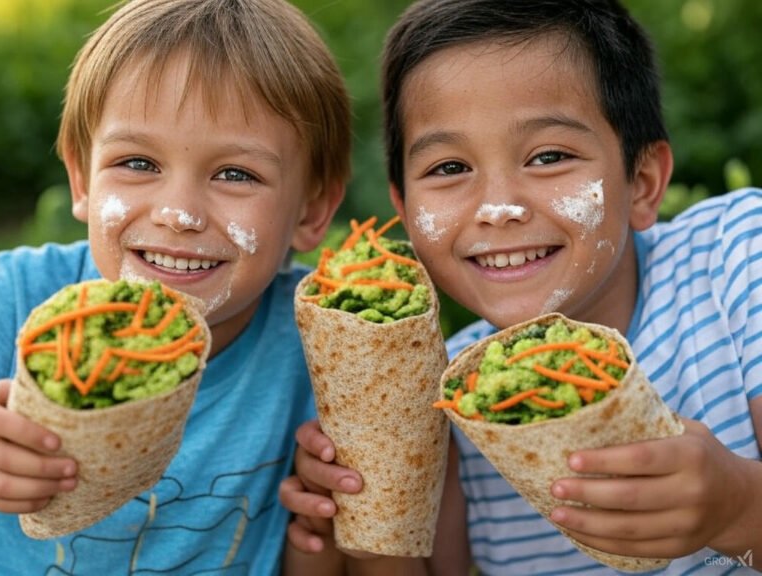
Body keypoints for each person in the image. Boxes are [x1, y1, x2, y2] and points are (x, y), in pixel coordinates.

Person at [279, 0, 762, 574]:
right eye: (450, 168)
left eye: (549, 156)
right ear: (404, 210)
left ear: (642, 182)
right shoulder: (443, 408)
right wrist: (347, 525)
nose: (498, 207)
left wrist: (740, 509)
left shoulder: (736, 259)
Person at [0, 0, 351, 574]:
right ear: (81, 178)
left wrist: (322, 532)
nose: (178, 214)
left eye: (235, 174)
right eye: (137, 163)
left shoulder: (325, 349)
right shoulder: (9, 298)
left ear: (311, 211)